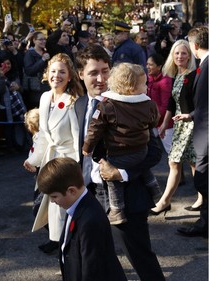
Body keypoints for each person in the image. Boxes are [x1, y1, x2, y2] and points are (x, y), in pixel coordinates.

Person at [75, 45, 165, 281]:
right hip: (90, 195)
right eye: (94, 72)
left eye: (105, 71)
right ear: (80, 74)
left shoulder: (134, 103)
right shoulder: (79, 105)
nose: (101, 78)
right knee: (99, 257)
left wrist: (121, 173)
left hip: (128, 195)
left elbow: (154, 152)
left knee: (140, 257)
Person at [82, 63, 161, 225]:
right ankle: (155, 190)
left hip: (119, 154)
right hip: (141, 150)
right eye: (144, 84)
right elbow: (154, 121)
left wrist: (87, 148)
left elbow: (94, 130)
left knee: (113, 179)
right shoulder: (148, 104)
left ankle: (117, 210)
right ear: (132, 88)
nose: (147, 87)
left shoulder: (107, 106)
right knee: (142, 166)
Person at [23, 53, 83, 254]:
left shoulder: (74, 101)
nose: (56, 75)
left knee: (63, 208)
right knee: (46, 203)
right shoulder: (45, 97)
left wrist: (77, 169)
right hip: (49, 159)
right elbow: (43, 134)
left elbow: (78, 139)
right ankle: (57, 240)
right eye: (53, 71)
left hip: (67, 162)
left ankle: (69, 246)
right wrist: (33, 160)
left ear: (69, 76)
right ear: (47, 73)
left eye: (62, 72)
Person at [37, 157, 127, 281]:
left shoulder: (90, 220)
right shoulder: (75, 205)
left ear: (71, 191)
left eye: (54, 196)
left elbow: (92, 269)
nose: (52, 201)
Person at [151, 39, 201, 215]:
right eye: (177, 53)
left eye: (184, 53)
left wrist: (191, 115)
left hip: (192, 125)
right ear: (172, 55)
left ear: (190, 56)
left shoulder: (195, 75)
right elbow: (172, 103)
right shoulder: (176, 75)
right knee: (190, 162)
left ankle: (165, 201)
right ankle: (202, 199)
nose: (180, 56)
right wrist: (164, 124)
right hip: (179, 126)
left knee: (178, 162)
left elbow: (201, 103)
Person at [176, 26, 208, 237]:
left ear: (195, 46)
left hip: (206, 134)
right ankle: (205, 222)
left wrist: (194, 115)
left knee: (202, 179)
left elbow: (205, 105)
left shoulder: (206, 66)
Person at [146, 53, 173, 154]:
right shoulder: (150, 79)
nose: (147, 67)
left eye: (151, 64)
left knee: (172, 154)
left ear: (159, 66)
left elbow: (165, 105)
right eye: (147, 64)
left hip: (165, 124)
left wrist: (153, 119)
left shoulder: (165, 81)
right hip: (154, 121)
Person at [23, 31, 50, 109]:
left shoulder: (45, 52)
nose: (43, 41)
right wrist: (42, 60)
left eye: (44, 39)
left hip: (47, 86)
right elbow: (29, 71)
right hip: (36, 90)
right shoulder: (29, 54)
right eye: (41, 39)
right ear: (34, 40)